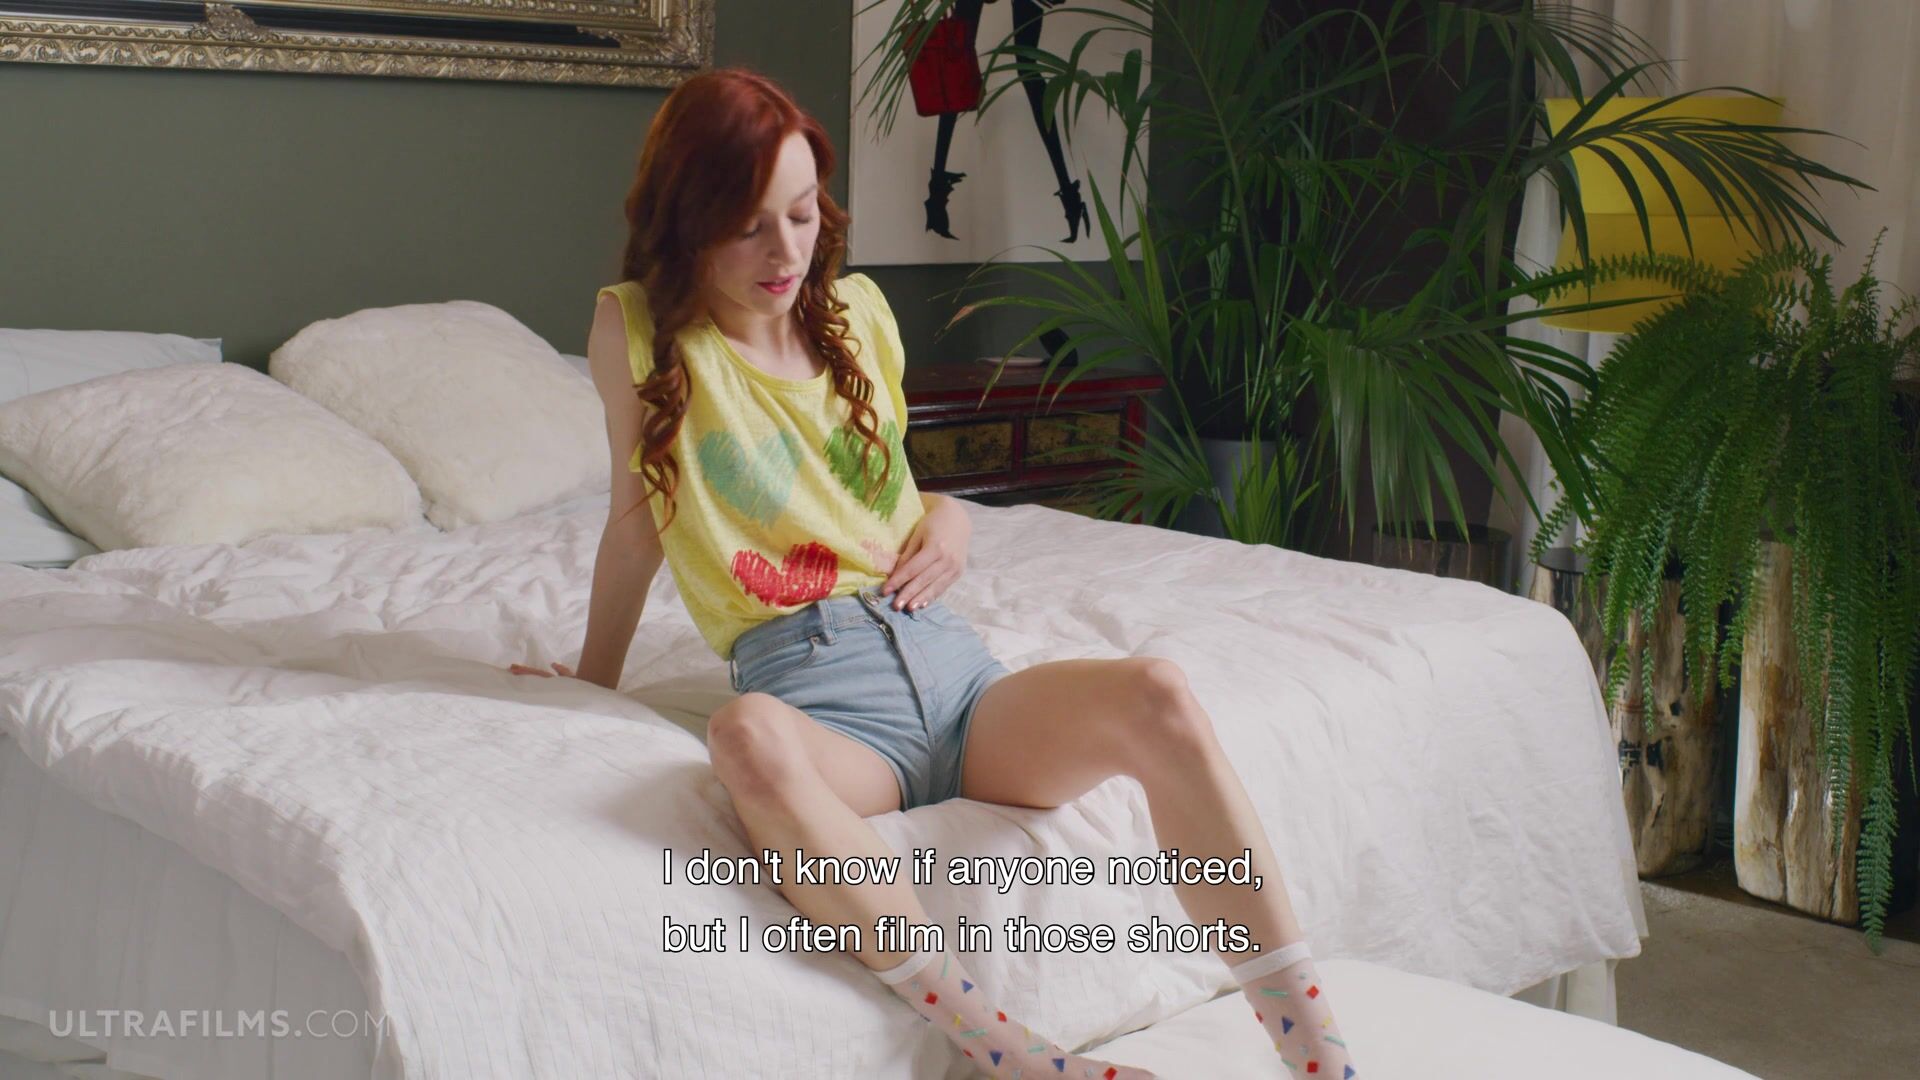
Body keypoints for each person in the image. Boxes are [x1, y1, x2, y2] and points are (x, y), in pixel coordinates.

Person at [512, 66, 1358, 1080]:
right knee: (742, 736)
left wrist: (952, 522)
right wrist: (594, 680)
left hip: (958, 677)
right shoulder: (641, 333)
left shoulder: (858, 314)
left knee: (1160, 693)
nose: (786, 252)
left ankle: (1321, 1057)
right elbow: (636, 521)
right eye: (747, 227)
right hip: (827, 707)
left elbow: (889, 497)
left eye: (801, 214)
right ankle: (1010, 1054)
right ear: (686, 221)